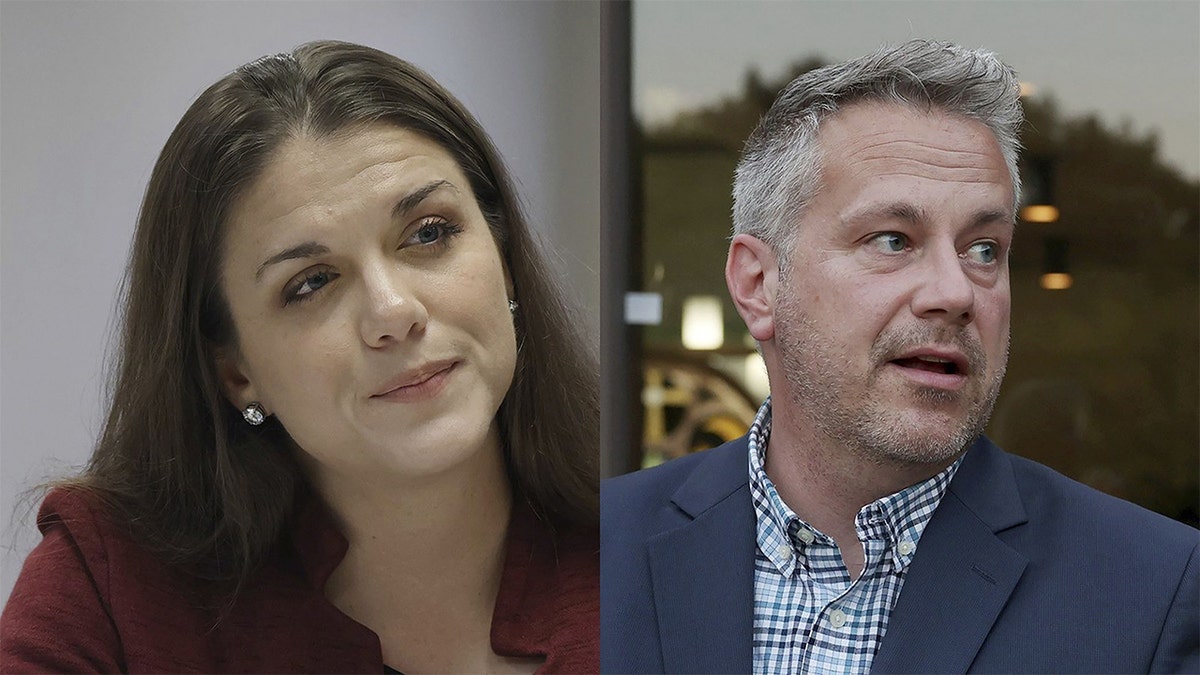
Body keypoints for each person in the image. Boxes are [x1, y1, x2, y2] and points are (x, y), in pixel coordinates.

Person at [600, 39, 1198, 674]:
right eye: (893, 240)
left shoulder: (1153, 592)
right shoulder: (588, 551)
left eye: (985, 249)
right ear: (758, 285)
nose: (955, 291)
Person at [1, 40, 598, 673]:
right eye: (310, 282)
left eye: (429, 232)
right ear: (236, 371)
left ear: (504, 265)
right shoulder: (108, 588)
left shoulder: (655, 546)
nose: (393, 311)